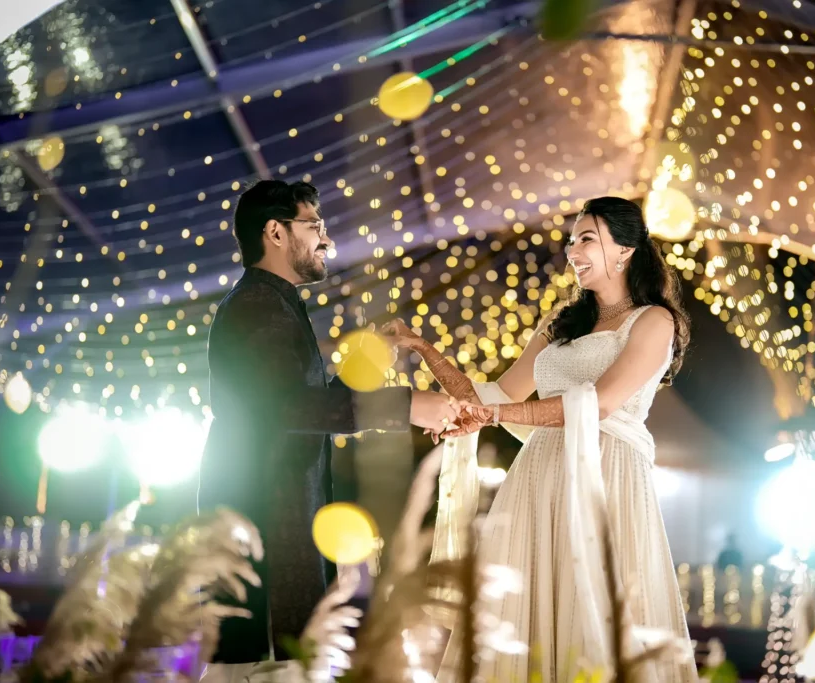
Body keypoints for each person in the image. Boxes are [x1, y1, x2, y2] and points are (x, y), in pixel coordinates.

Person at [384, 196, 698, 682]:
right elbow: (493, 394)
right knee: (526, 611)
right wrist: (424, 350)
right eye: (572, 241)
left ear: (626, 250)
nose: (573, 250)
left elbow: (600, 403)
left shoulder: (654, 321)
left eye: (587, 239)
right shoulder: (559, 324)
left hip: (605, 478)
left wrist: (489, 413)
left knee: (592, 611)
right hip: (538, 477)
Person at [200, 180, 461, 664]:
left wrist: (374, 356)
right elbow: (292, 410)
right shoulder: (258, 306)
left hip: (284, 525)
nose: (327, 239)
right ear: (275, 233)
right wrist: (404, 406)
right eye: (315, 226)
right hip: (265, 532)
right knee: (257, 671)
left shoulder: (276, 303)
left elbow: (306, 405)